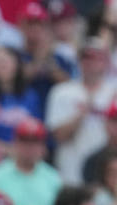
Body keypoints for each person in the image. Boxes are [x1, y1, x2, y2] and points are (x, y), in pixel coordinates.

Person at [46, 37, 117, 184]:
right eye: (87, 57)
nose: (91, 63)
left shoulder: (113, 93)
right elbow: (57, 136)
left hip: (106, 178)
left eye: (97, 58)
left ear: (105, 62)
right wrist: (81, 115)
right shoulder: (62, 92)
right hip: (70, 172)